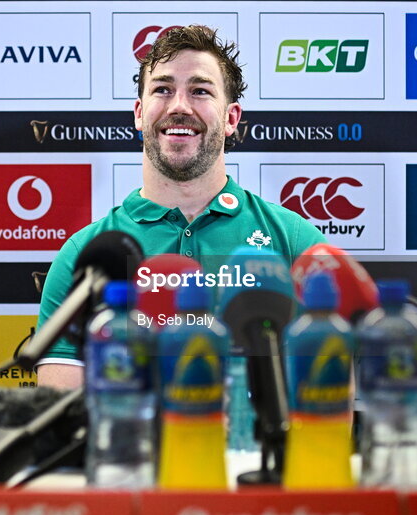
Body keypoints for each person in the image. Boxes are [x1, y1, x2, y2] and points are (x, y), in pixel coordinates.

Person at [36, 25, 326, 389]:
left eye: (200, 91)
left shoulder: (296, 242)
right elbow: (61, 413)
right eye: (163, 89)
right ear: (139, 113)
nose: (179, 106)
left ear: (231, 118)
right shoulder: (87, 256)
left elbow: (329, 401)